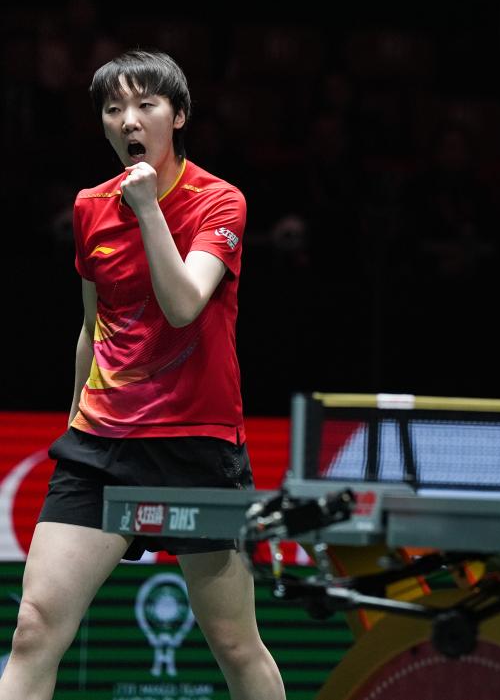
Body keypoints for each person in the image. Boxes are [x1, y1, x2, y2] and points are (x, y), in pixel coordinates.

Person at [0, 50, 286, 700]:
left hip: (196, 444)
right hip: (102, 445)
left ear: (178, 116)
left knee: (236, 643)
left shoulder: (220, 202)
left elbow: (184, 304)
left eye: (145, 105)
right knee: (34, 627)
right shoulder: (89, 207)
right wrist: (74, 426)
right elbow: (92, 326)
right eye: (113, 108)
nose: (128, 120)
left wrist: (149, 209)